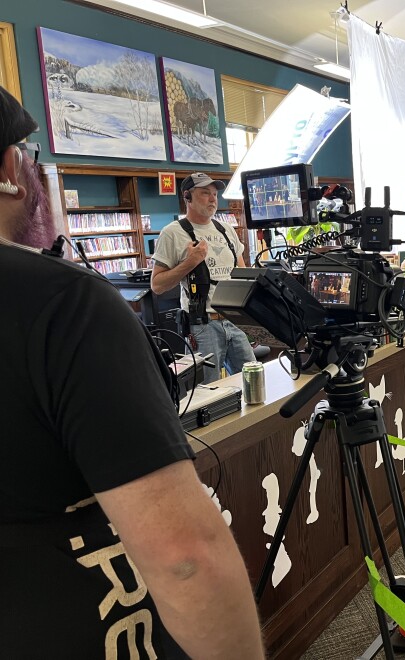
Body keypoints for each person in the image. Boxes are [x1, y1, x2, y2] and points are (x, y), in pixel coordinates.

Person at [0, 86, 264, 658]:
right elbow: (185, 556)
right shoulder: (68, 304)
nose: (213, 199)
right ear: (11, 167)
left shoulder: (223, 232)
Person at [151, 172, 256, 383]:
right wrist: (190, 262)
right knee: (209, 392)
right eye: (205, 193)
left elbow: (242, 274)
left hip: (234, 321)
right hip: (202, 327)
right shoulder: (172, 233)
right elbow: (157, 285)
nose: (213, 199)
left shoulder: (226, 230)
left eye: (215, 194)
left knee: (254, 380)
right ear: (187, 197)